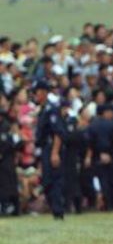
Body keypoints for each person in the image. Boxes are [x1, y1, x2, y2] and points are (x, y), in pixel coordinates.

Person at [33, 81, 67, 219]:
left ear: (44, 92)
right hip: (44, 148)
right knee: (47, 181)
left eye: (37, 92)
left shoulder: (51, 109)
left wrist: (55, 152)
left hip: (51, 147)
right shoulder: (42, 110)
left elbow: (57, 132)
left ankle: (58, 212)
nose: (35, 95)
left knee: (54, 180)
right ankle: (55, 209)